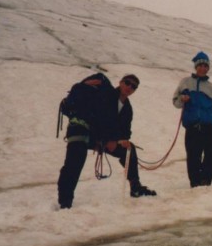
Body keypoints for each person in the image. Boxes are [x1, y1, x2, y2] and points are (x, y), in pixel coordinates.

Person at [57, 73, 156, 209]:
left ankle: (135, 187)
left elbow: (125, 131)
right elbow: (101, 117)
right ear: (120, 82)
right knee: (74, 163)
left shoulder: (128, 109)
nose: (129, 87)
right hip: (85, 130)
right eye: (127, 83)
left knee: (129, 150)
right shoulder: (105, 92)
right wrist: (109, 139)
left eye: (133, 86)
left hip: (103, 140)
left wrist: (122, 140)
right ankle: (65, 201)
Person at [173, 52, 212, 187]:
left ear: (208, 68)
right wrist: (182, 99)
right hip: (192, 127)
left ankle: (206, 182)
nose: (203, 68)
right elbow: (176, 103)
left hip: (210, 127)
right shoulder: (185, 83)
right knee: (193, 156)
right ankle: (195, 183)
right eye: (200, 65)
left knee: (210, 157)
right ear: (196, 67)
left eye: (205, 66)